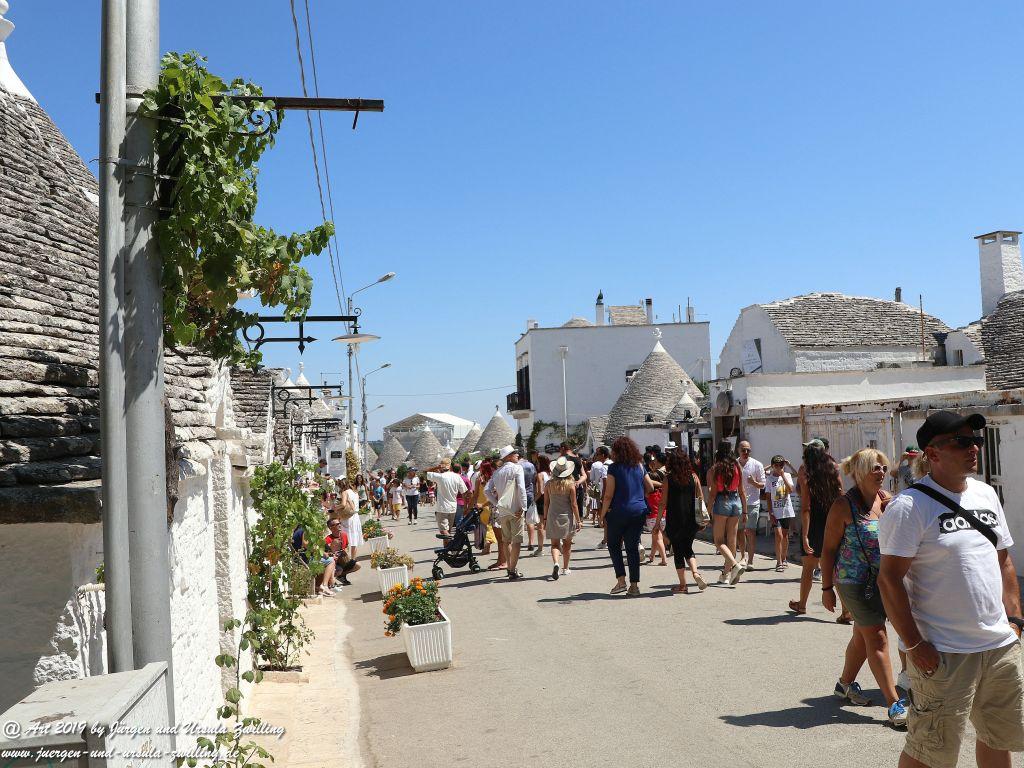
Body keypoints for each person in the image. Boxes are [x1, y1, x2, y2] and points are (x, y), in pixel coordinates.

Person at [878, 411, 1024, 768]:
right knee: (930, 749)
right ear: (933, 452)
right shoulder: (909, 507)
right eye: (961, 441)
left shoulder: (986, 494)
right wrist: (914, 644)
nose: (973, 447)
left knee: (997, 736)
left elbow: (1003, 560)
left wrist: (1016, 618)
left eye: (976, 440)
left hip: (998, 645)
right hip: (943, 652)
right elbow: (889, 580)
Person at [818, 448, 907, 727]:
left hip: (882, 581)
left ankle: (844, 684)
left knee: (863, 635)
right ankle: (894, 704)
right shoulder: (843, 506)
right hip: (852, 583)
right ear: (859, 473)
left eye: (883, 467)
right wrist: (826, 588)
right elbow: (828, 551)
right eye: (874, 467)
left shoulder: (887, 501)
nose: (881, 472)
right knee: (877, 637)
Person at [790, 439, 843, 614]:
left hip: (814, 521)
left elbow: (806, 507)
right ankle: (847, 610)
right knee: (835, 566)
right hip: (833, 517)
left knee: (809, 566)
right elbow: (841, 493)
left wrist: (805, 535)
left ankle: (802, 604)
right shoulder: (833, 467)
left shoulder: (805, 471)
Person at [598, 436, 656, 596]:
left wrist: (602, 515)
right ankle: (634, 586)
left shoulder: (614, 468)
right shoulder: (639, 465)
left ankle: (621, 580)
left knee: (614, 545)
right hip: (638, 511)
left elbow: (608, 495)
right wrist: (638, 495)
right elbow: (650, 487)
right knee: (632, 548)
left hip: (619, 511)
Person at [657, 448, 708, 593]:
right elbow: (700, 499)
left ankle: (683, 585)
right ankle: (696, 573)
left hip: (675, 520)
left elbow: (662, 503)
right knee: (688, 548)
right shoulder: (694, 477)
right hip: (691, 520)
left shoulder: (668, 479)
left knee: (678, 551)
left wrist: (657, 522)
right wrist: (702, 519)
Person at [706, 442, 747, 586]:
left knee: (718, 541)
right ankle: (726, 574)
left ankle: (735, 565)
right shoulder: (737, 467)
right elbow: (742, 490)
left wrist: (707, 511)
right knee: (732, 541)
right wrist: (745, 510)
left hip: (722, 501)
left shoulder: (715, 469)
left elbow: (712, 494)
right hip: (736, 501)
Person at [485, 445, 528, 580]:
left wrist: (496, 502)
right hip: (516, 508)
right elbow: (521, 488)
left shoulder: (497, 472)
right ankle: (512, 569)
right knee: (516, 541)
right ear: (509, 456)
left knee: (506, 540)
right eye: (515, 453)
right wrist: (524, 506)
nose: (517, 455)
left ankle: (511, 568)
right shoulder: (517, 468)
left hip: (503, 509)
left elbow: (487, 490)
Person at [545, 456, 582, 579]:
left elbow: (546, 503)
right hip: (566, 516)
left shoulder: (549, 484)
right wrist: (578, 520)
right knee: (567, 544)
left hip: (552, 515)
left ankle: (556, 563)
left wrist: (544, 518)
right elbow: (574, 504)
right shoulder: (571, 485)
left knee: (555, 544)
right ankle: (565, 568)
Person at [737, 440, 766, 568]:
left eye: (748, 450)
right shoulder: (734, 464)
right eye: (743, 450)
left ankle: (750, 561)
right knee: (739, 531)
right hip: (737, 503)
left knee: (750, 532)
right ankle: (742, 557)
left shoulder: (757, 465)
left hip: (752, 503)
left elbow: (763, 484)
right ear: (738, 450)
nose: (746, 452)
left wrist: (753, 482)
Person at [765, 456, 796, 571]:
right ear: (772, 466)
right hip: (775, 512)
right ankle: (778, 562)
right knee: (778, 535)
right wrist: (770, 513)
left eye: (781, 465)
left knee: (785, 536)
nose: (779, 468)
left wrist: (783, 475)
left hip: (786, 510)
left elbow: (791, 490)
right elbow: (768, 497)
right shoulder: (769, 479)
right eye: (776, 465)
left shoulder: (787, 476)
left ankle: (784, 558)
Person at [425, 458, 469, 536]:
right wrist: (465, 506)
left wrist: (436, 467)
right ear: (450, 466)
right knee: (448, 530)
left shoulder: (440, 477)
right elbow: (464, 492)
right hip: (453, 507)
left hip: (442, 508)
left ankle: (452, 542)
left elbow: (426, 472)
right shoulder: (457, 477)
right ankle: (448, 547)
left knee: (443, 531)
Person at [645, 447, 668, 566]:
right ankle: (652, 556)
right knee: (655, 538)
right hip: (662, 517)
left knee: (658, 538)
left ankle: (664, 559)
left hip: (653, 517)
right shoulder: (662, 493)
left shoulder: (649, 494)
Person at [325, 518, 361, 586]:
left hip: (343, 561)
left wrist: (345, 552)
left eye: (339, 523)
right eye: (336, 524)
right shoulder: (327, 540)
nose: (339, 525)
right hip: (333, 563)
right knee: (339, 570)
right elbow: (325, 555)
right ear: (331, 528)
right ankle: (331, 579)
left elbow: (346, 546)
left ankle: (341, 576)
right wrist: (333, 554)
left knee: (357, 565)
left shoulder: (344, 535)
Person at [336, 479, 363, 560]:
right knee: (354, 538)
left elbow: (343, 504)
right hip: (355, 516)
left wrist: (335, 507)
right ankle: (353, 559)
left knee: (345, 537)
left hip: (348, 517)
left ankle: (345, 559)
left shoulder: (345, 492)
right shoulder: (354, 492)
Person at [532, 455, 551, 557]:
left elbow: (540, 491)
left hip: (542, 500)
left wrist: (533, 501)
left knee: (540, 526)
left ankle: (540, 548)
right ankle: (558, 543)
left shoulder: (540, 475)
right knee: (550, 523)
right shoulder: (550, 474)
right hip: (551, 498)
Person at [520, 451, 539, 553]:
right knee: (529, 519)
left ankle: (517, 542)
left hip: (519, 495)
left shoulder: (517, 466)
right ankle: (531, 542)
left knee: (518, 518)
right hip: (530, 493)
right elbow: (535, 479)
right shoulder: (531, 465)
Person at [589, 447, 609, 526]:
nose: (596, 456)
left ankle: (600, 521)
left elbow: (592, 478)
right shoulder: (612, 463)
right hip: (607, 488)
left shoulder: (596, 465)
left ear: (603, 455)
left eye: (597, 454)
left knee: (599, 505)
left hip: (599, 487)